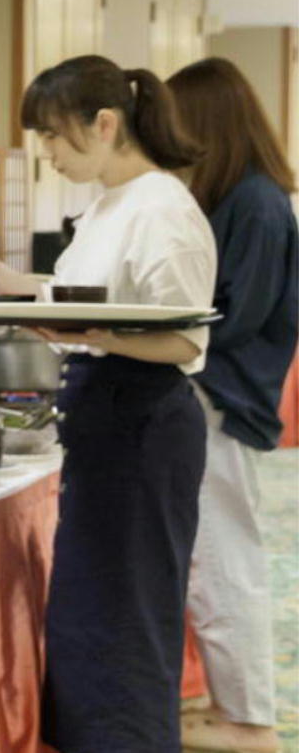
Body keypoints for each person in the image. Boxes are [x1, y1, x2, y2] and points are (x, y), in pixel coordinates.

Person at [0, 54, 214, 753]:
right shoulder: (108, 204)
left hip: (144, 422)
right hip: (105, 417)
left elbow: (183, 341)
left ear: (106, 124)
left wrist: (93, 334)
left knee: (129, 610)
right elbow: (67, 290)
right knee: (90, 610)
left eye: (54, 138)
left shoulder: (164, 208)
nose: (47, 155)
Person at [165, 57, 295, 753]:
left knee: (224, 560)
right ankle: (233, 705)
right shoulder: (244, 198)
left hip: (224, 398)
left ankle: (246, 720)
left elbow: (233, 316)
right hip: (218, 397)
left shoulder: (256, 203)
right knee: (214, 557)